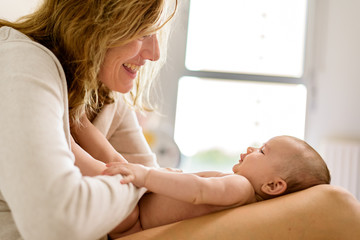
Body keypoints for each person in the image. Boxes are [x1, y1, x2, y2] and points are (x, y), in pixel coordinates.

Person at [0, 0, 177, 239]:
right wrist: (142, 179)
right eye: (144, 32)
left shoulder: (106, 96)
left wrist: (144, 181)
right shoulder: (21, 63)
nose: (155, 53)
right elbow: (56, 221)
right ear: (96, 21)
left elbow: (155, 204)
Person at [94, 135, 330, 237]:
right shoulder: (242, 191)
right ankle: (76, 124)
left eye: (262, 151)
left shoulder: (242, 187)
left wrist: (146, 176)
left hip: (134, 219)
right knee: (113, 164)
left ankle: (72, 127)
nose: (251, 149)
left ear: (272, 185)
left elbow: (198, 190)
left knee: (107, 169)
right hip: (137, 206)